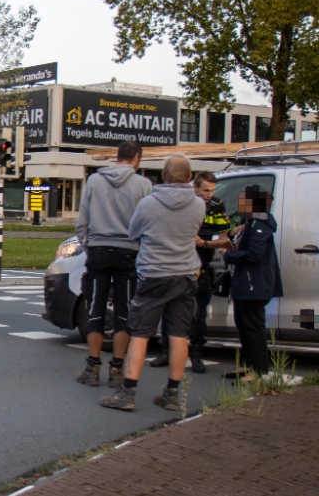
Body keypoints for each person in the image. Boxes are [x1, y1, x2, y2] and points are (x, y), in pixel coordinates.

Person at [101, 155, 205, 411]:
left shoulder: (148, 204)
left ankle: (127, 394)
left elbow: (134, 233)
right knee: (179, 335)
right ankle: (171, 392)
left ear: (163, 177)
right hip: (185, 275)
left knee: (140, 334)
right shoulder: (199, 204)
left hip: (153, 275)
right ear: (190, 178)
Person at [74, 140, 152, 389]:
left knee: (95, 309)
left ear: (117, 157)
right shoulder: (143, 185)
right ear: (136, 158)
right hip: (128, 252)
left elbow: (82, 220)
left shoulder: (95, 181)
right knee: (124, 312)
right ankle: (117, 368)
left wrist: (89, 244)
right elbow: (148, 222)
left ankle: (92, 366)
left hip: (98, 250)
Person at [150, 172, 232, 372]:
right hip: (176, 264)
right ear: (193, 187)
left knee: (199, 314)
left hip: (202, 265)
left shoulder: (216, 206)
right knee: (170, 309)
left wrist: (203, 242)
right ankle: (167, 351)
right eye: (205, 190)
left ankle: (196, 354)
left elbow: (225, 240)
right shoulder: (183, 204)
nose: (208, 195)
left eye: (212, 191)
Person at [222, 185, 283, 383]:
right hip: (246, 285)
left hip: (254, 285)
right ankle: (247, 364)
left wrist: (229, 255)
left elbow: (254, 254)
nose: (240, 204)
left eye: (243, 200)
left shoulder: (260, 226)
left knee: (253, 328)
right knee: (243, 325)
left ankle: (258, 370)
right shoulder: (249, 222)